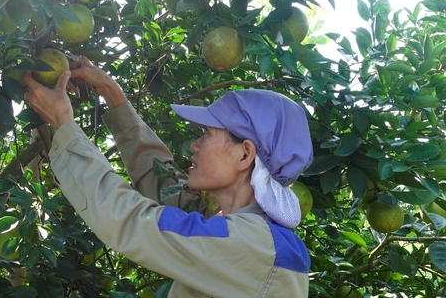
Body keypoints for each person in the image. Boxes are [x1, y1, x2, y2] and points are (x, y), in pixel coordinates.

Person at [22, 56, 313, 297]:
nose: (194, 146)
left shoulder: (254, 246)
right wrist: (112, 94)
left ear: (245, 155)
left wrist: (63, 123)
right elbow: (164, 185)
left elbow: (134, 222)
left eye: (207, 134)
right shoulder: (244, 232)